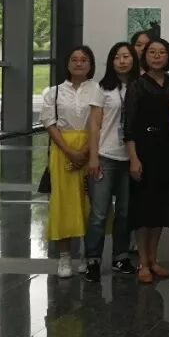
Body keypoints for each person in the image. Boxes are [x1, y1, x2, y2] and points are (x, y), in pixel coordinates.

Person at [124, 38, 169, 284]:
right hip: (143, 150)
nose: (157, 56)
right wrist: (133, 158)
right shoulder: (137, 86)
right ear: (145, 56)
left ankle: (154, 259)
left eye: (162, 52)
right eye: (152, 52)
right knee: (143, 209)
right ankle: (143, 262)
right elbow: (129, 125)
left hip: (168, 150)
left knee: (161, 209)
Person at [82, 42, 139, 281]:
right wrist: (93, 157)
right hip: (105, 156)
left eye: (126, 56)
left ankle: (120, 257)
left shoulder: (139, 86)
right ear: (111, 62)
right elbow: (94, 125)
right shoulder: (102, 88)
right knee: (99, 213)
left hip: (129, 158)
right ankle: (93, 259)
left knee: (125, 213)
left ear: (133, 59)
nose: (122, 61)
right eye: (117, 57)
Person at [43, 46, 100, 278]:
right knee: (64, 202)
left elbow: (100, 122)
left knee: (89, 202)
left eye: (84, 60)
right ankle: (65, 257)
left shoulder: (97, 89)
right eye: (74, 59)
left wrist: (85, 152)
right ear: (67, 64)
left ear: (90, 64)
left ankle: (88, 254)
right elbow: (50, 123)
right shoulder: (54, 92)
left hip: (91, 148)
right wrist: (70, 152)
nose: (79, 63)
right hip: (62, 150)